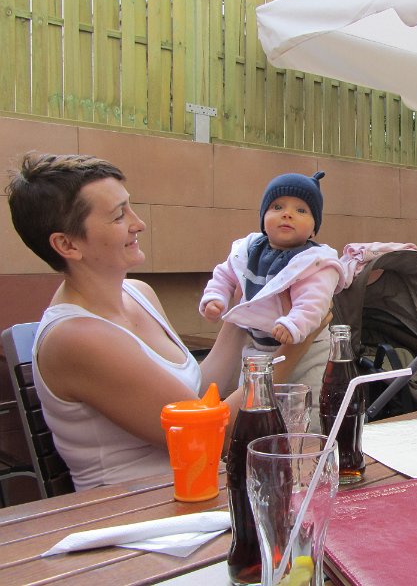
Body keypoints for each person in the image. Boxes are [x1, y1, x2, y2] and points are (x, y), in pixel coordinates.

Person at [5, 153, 326, 491]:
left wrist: (251, 298)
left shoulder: (138, 293)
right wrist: (298, 344)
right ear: (67, 244)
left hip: (197, 493)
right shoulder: (76, 338)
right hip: (139, 510)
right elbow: (205, 431)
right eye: (119, 215)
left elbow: (197, 394)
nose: (138, 223)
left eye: (130, 207)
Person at [199, 172, 346, 428]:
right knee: (255, 408)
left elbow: (315, 302)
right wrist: (215, 297)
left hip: (308, 349)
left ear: (314, 228)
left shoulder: (314, 262)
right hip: (257, 346)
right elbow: (224, 275)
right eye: (277, 207)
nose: (287, 214)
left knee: (307, 405)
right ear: (263, 219)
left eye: (301, 210)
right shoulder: (247, 251)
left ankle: (309, 439)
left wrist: (294, 324)